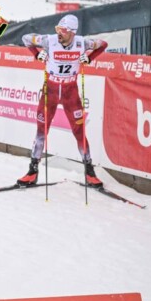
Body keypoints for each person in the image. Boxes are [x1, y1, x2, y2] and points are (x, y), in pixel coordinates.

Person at [17, 14, 107, 188]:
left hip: (70, 92)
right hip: (50, 90)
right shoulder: (48, 41)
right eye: (58, 29)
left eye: (64, 31)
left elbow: (103, 44)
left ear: (72, 32)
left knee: (79, 131)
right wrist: (37, 54)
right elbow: (26, 38)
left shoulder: (82, 43)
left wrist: (89, 58)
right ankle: (32, 171)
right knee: (41, 131)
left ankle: (89, 172)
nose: (59, 33)